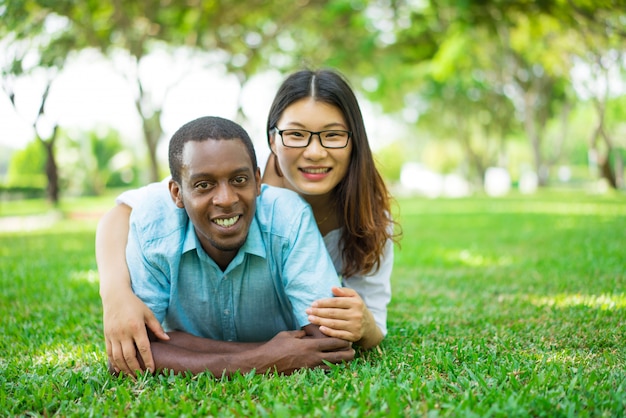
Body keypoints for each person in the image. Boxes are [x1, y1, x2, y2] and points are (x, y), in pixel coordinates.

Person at [96, 69, 399, 376]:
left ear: (354, 141)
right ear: (273, 140)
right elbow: (120, 216)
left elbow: (342, 338)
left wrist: (367, 326)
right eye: (296, 134)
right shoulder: (214, 172)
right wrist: (115, 294)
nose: (315, 151)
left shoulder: (356, 224)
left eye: (332, 135)